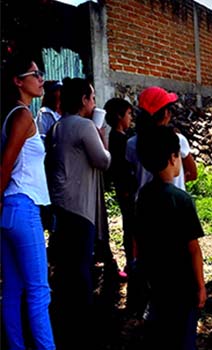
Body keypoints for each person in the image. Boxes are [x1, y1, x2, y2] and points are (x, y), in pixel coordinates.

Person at [44, 77, 111, 349]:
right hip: (80, 208)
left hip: (60, 204)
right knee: (82, 269)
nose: (94, 103)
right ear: (83, 100)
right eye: (92, 98)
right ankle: (84, 328)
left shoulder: (57, 126)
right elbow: (103, 161)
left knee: (65, 268)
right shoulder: (84, 126)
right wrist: (102, 135)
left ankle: (62, 321)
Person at [1, 56, 56, 350]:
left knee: (13, 289)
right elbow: (5, 164)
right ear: (18, 81)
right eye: (35, 73)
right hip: (23, 206)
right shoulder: (22, 116)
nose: (41, 78)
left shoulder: (15, 115)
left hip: (12, 209)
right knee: (38, 292)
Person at [135, 126, 206, 349]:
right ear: (172, 158)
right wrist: (201, 285)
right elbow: (193, 248)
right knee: (184, 338)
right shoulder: (181, 199)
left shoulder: (143, 196)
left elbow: (139, 239)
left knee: (160, 335)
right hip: (182, 285)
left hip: (155, 282)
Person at [126, 87, 197, 194]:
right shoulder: (177, 140)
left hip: (144, 205)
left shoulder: (131, 144)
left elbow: (130, 178)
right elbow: (192, 173)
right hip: (175, 205)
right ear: (166, 113)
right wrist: (178, 182)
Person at [104, 98, 136, 281]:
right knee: (131, 226)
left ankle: (131, 261)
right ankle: (131, 262)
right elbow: (121, 168)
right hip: (127, 189)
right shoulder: (120, 139)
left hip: (125, 188)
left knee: (129, 226)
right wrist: (125, 187)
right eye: (129, 114)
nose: (131, 118)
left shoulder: (117, 137)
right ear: (119, 116)